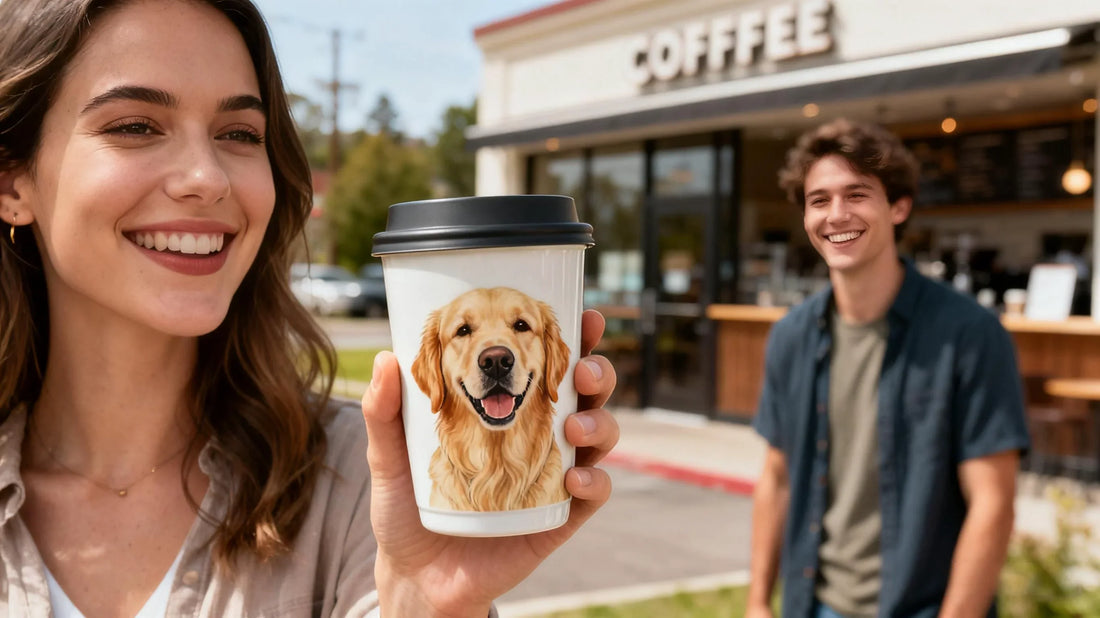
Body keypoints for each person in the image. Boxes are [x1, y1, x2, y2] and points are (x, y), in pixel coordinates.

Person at [0, 1, 620, 616]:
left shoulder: (374, 482)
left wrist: (428, 601)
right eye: (135, 126)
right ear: (10, 181)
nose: (208, 177)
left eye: (239, 134)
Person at [746, 119, 1029, 618]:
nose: (837, 214)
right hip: (814, 605)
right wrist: (757, 603)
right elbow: (777, 479)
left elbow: (993, 504)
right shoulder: (790, 337)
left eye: (857, 194)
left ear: (898, 207)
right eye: (819, 200)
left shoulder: (970, 334)